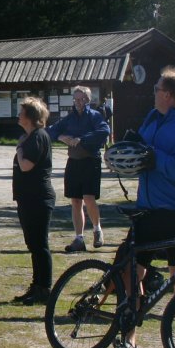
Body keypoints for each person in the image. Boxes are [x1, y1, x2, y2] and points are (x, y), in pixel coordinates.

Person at [110, 66, 175, 348]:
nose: (153, 93)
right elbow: (139, 149)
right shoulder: (153, 118)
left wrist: (153, 157)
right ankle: (129, 341)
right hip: (147, 209)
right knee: (130, 274)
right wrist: (129, 150)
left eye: (156, 89)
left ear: (168, 94)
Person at [46, 86, 110, 252]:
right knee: (75, 200)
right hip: (74, 161)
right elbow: (51, 130)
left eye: (82, 99)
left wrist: (82, 139)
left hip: (90, 161)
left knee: (89, 198)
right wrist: (61, 137)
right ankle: (79, 238)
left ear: (88, 100)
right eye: (76, 99)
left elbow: (104, 131)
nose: (78, 102)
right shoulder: (70, 118)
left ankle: (97, 230)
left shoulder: (94, 116)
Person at [12, 96, 56, 304]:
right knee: (33, 244)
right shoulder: (31, 136)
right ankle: (36, 286)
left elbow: (26, 166)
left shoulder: (38, 136)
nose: (19, 115)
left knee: (40, 245)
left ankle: (44, 289)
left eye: (22, 112)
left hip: (38, 198)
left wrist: (20, 149)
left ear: (30, 117)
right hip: (29, 198)